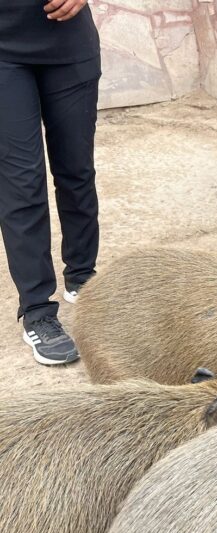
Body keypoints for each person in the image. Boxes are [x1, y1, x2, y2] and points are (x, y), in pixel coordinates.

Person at [0, 0, 101, 365]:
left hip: (70, 42)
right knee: (21, 184)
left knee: (77, 171)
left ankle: (83, 277)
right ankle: (38, 310)